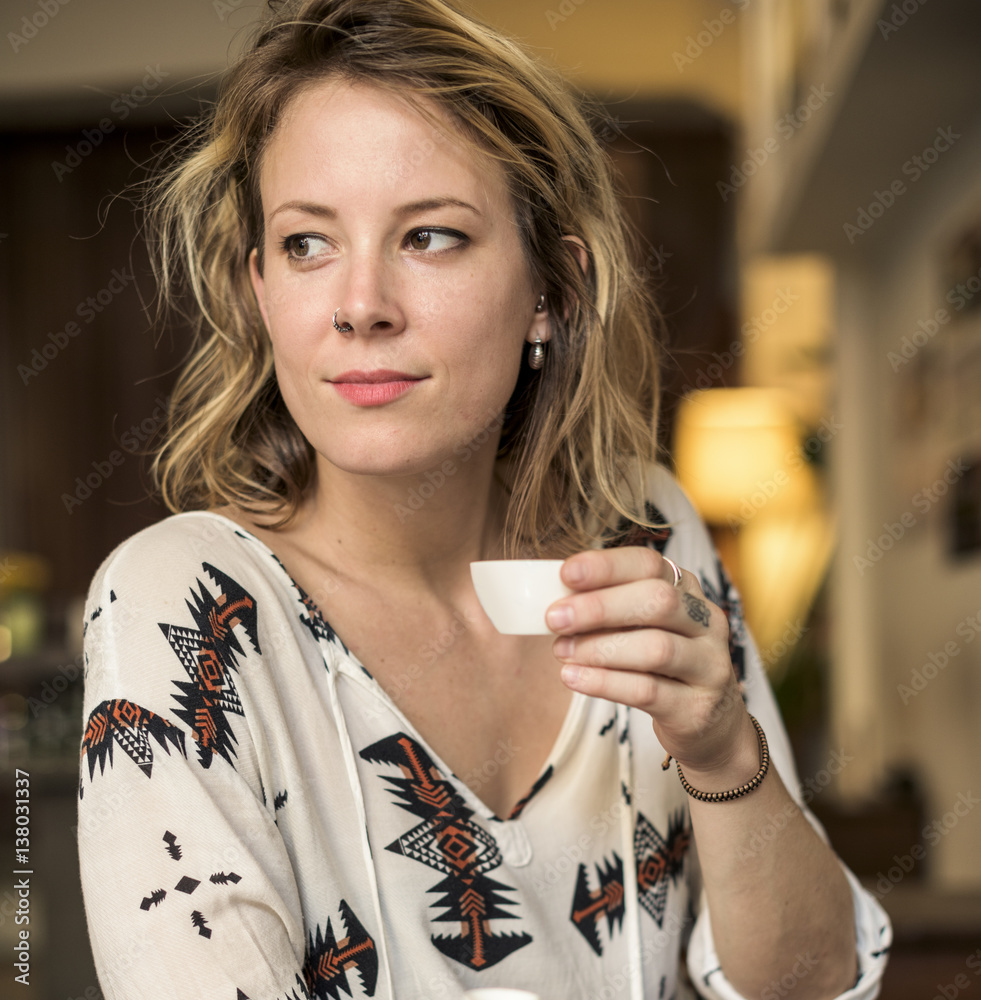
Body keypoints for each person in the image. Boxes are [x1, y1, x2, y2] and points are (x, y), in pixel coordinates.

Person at [77, 1, 891, 998]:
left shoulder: (646, 530)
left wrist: (724, 750)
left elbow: (807, 984)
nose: (360, 303)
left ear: (550, 288)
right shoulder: (188, 610)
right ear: (258, 291)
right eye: (305, 244)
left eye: (429, 236)